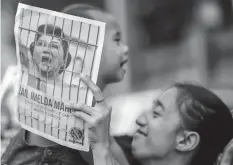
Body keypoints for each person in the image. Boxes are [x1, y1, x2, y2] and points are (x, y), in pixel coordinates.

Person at [1, 4, 128, 165]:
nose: (126, 48)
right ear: (82, 52)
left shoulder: (99, 128)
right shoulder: (46, 131)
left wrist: (104, 145)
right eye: (117, 40)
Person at [71, 76, 233, 165]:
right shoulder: (123, 151)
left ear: (185, 140)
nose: (139, 119)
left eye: (156, 113)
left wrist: (101, 148)